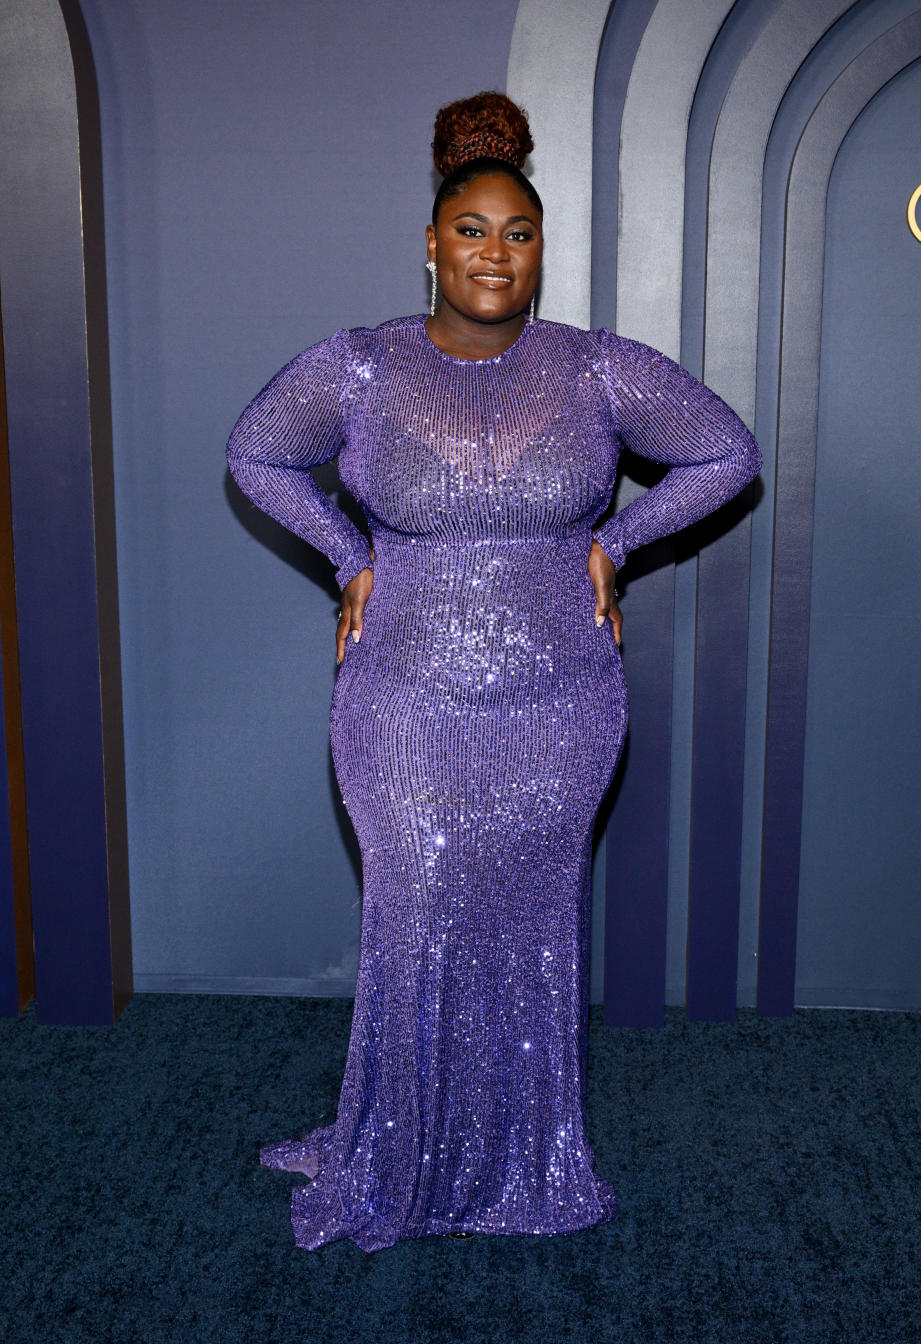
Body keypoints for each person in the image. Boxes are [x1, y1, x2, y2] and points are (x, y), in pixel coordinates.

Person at [225, 90, 761, 1254]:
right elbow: (256, 455)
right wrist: (349, 555)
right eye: (471, 230)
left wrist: (615, 544)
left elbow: (729, 452)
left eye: (518, 235)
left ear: (540, 252)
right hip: (402, 697)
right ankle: (400, 1149)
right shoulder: (360, 367)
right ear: (430, 241)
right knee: (415, 910)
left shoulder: (598, 370)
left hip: (561, 702)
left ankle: (524, 1158)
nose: (494, 254)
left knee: (525, 926)